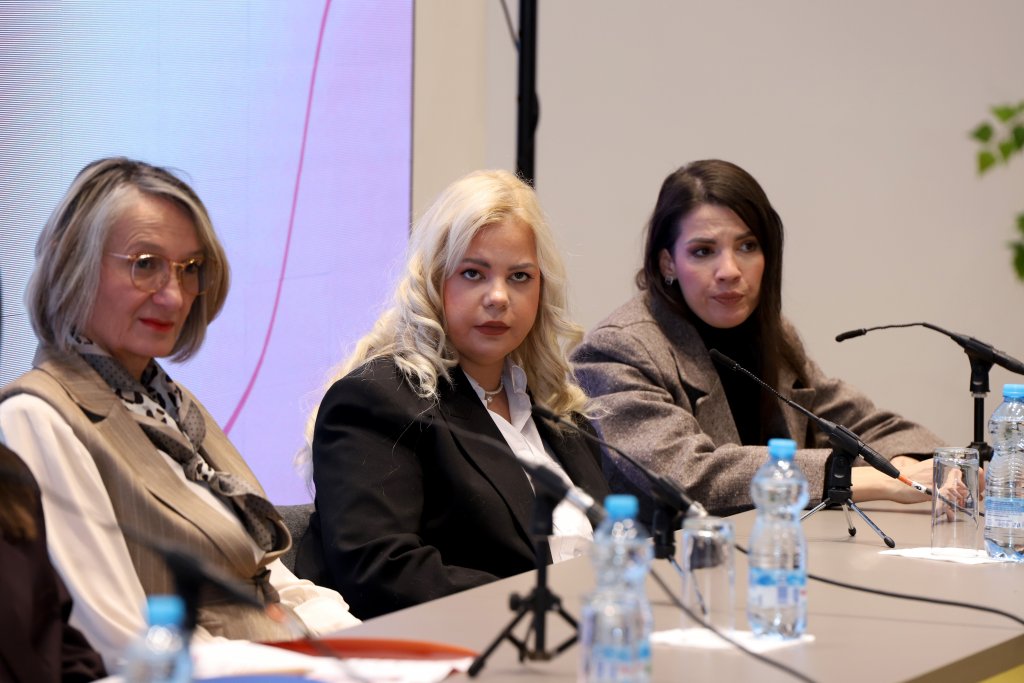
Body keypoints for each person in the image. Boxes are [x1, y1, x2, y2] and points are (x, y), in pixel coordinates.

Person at [0, 157, 358, 671]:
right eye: (145, 263)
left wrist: (362, 646)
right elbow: (122, 641)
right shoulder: (35, 416)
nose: (173, 295)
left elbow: (264, 574)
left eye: (190, 269)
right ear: (71, 263)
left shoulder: (171, 402)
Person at [295, 169, 611, 619]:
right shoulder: (377, 401)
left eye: (520, 276)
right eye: (473, 273)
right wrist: (547, 609)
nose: (498, 297)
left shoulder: (557, 409)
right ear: (432, 280)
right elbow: (381, 571)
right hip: (459, 644)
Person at [571, 159, 942, 519]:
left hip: (776, 545)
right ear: (668, 262)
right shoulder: (618, 350)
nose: (730, 271)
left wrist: (912, 465)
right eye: (703, 251)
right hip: (667, 556)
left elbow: (859, 424)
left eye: (747, 246)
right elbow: (688, 474)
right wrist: (867, 480)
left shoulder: (773, 335)